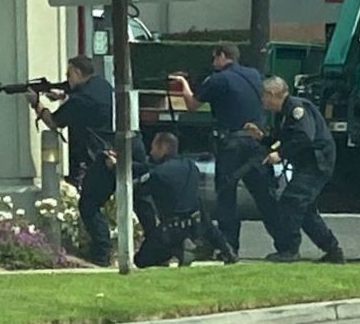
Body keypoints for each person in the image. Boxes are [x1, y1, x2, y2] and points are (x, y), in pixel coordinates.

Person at [30, 55, 156, 266]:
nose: (67, 79)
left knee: (89, 204)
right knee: (141, 198)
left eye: (69, 74)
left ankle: (101, 253)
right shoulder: (101, 85)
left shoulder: (80, 101)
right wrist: (63, 94)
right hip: (133, 143)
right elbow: (87, 99)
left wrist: (36, 104)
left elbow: (54, 122)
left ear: (78, 73)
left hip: (109, 153)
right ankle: (159, 247)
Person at [171, 43, 290, 258]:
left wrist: (184, 84)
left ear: (222, 56)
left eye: (214, 58)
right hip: (256, 142)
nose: (212, 62)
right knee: (265, 196)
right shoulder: (254, 75)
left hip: (231, 144)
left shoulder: (218, 79)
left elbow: (192, 105)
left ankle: (228, 247)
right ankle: (286, 246)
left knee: (226, 197)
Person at [248, 76, 345, 264]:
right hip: (308, 164)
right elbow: (283, 139)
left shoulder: (297, 109)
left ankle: (289, 250)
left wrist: (280, 154)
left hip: (317, 163)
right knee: (305, 209)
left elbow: (304, 137)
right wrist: (262, 138)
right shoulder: (284, 113)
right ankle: (332, 250)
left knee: (291, 201)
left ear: (272, 94)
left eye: (263, 96)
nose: (262, 101)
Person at [104, 132, 237, 268]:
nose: (151, 152)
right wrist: (122, 162)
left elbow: (133, 188)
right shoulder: (190, 166)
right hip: (195, 227)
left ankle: (179, 250)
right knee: (202, 219)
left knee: (141, 260)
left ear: (163, 148)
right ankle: (211, 250)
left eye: (154, 148)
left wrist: (115, 168)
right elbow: (148, 168)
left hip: (171, 232)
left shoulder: (158, 175)